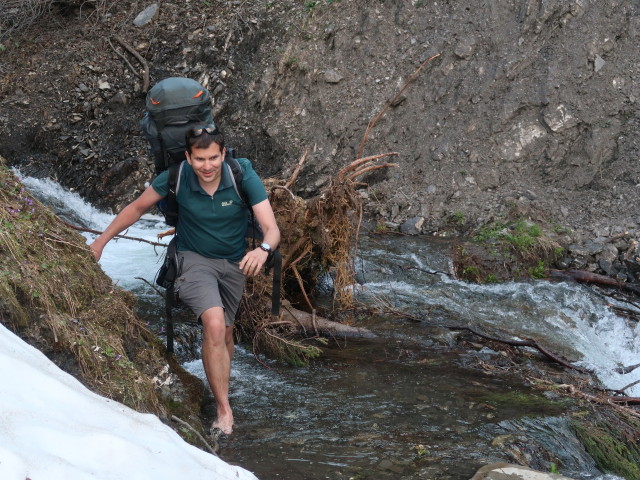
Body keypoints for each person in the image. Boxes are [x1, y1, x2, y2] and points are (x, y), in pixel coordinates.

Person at [90, 124, 280, 435]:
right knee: (215, 325)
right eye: (201, 159)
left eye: (214, 158)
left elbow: (271, 228)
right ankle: (223, 410)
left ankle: (219, 389)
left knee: (227, 334)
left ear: (222, 154)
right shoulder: (176, 176)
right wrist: (100, 242)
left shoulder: (240, 172)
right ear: (189, 158)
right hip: (193, 260)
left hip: (234, 265)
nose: (208, 166)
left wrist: (263, 250)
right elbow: (137, 208)